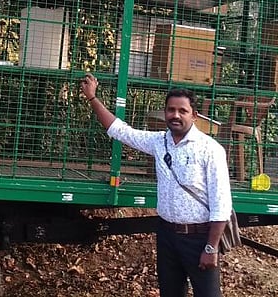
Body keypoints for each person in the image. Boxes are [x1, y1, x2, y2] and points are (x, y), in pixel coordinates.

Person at [80, 73, 232, 297]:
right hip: (167, 235)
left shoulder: (210, 149)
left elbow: (221, 204)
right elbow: (121, 131)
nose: (176, 115)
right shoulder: (159, 142)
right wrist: (92, 98)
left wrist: (211, 248)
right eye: (171, 110)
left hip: (199, 238)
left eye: (183, 111)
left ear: (195, 115)